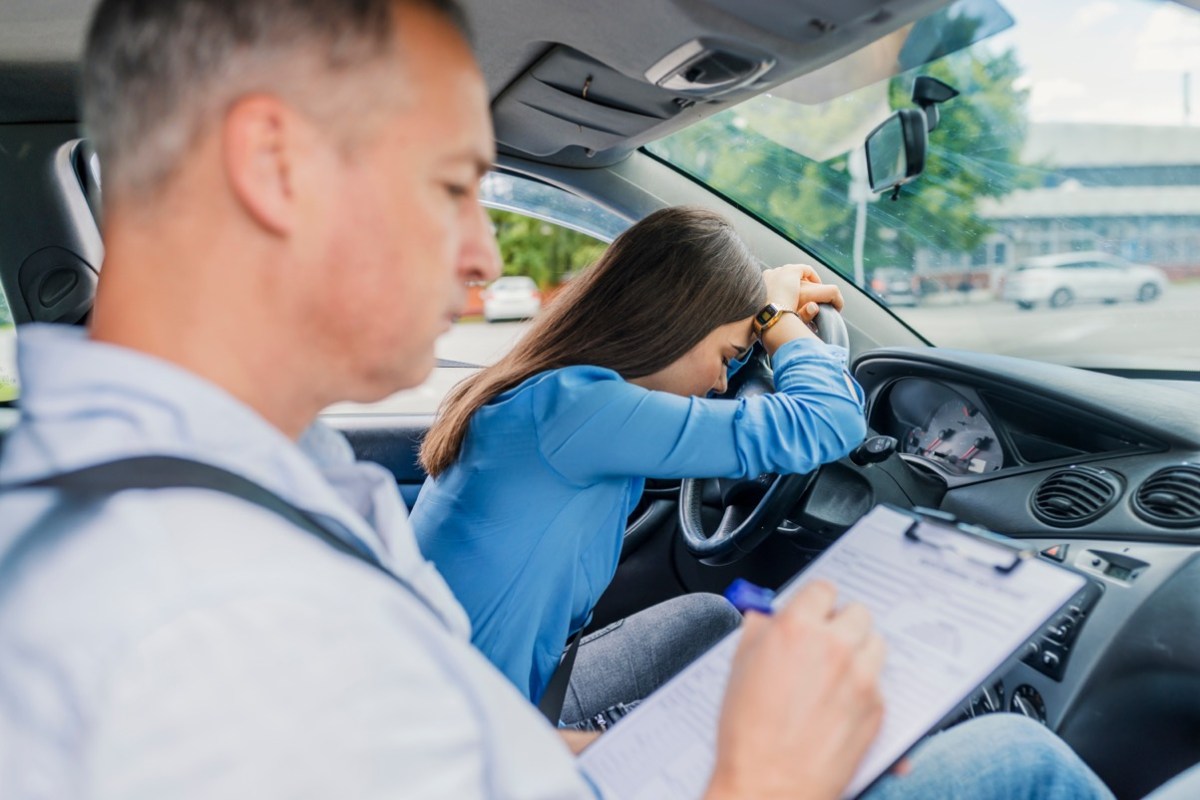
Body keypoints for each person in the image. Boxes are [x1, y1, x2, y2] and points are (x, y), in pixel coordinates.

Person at [0, 0, 1130, 798]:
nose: (487, 257)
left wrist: (576, 745)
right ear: (275, 164)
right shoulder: (191, 607)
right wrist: (758, 777)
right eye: (453, 186)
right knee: (1012, 767)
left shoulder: (251, 492)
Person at [413, 205, 866, 723]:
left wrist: (746, 328)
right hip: (482, 743)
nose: (722, 381)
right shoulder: (581, 411)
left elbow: (707, 384)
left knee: (711, 620)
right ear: (676, 325)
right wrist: (775, 321)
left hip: (512, 691)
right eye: (725, 355)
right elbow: (830, 420)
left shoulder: (554, 394)